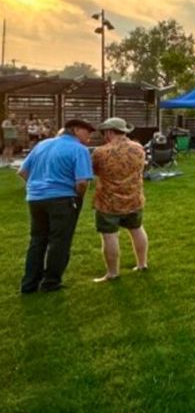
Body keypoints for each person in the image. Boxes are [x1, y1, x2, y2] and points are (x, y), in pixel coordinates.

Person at [18, 119, 95, 293]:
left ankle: (29, 283)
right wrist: (77, 198)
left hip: (35, 198)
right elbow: (82, 182)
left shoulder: (42, 144)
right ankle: (51, 282)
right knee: (59, 241)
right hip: (62, 199)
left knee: (37, 240)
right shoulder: (79, 150)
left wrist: (38, 186)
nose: (90, 136)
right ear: (75, 130)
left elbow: (22, 171)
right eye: (87, 132)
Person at [91, 117, 148, 282]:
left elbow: (95, 171)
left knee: (110, 236)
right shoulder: (139, 148)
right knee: (137, 230)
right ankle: (142, 263)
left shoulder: (100, 152)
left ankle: (113, 273)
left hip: (108, 202)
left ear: (109, 132)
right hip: (134, 199)